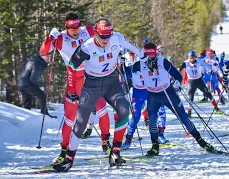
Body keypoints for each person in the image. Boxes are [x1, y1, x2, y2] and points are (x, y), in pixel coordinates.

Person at [53, 18, 147, 172]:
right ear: (95, 33)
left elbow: (136, 48)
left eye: (108, 35)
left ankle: (115, 151)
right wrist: (71, 89)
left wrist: (146, 59)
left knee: (124, 109)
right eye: (102, 36)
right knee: (81, 121)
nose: (105, 39)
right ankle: (69, 158)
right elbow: (72, 66)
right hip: (92, 85)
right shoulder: (87, 47)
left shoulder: (117, 38)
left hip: (112, 83)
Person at [40, 13, 111, 165]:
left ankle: (106, 143)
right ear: (66, 27)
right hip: (74, 80)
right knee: (70, 117)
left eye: (77, 27)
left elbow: (106, 37)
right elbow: (44, 51)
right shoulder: (60, 38)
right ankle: (63, 152)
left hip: (92, 77)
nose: (75, 31)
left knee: (102, 110)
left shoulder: (88, 31)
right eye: (72, 28)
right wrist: (50, 37)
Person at [130, 43, 218, 156]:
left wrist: (177, 82)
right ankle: (155, 147)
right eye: (148, 56)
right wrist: (122, 65)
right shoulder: (139, 64)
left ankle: (201, 141)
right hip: (152, 95)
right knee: (152, 121)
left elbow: (177, 75)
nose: (151, 58)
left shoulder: (162, 61)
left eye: (153, 55)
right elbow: (128, 72)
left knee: (184, 119)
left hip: (168, 94)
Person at [179, 50, 222, 117]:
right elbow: (179, 70)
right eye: (190, 58)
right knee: (190, 97)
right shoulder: (185, 63)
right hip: (191, 81)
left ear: (195, 57)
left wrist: (211, 70)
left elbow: (207, 65)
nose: (192, 59)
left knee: (208, 93)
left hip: (199, 80)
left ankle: (216, 108)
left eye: (193, 57)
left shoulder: (199, 61)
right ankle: (189, 112)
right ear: (188, 57)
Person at [17, 53, 57, 118]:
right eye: (47, 56)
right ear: (42, 56)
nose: (49, 57)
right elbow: (33, 78)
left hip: (21, 83)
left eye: (49, 56)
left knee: (27, 102)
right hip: (27, 83)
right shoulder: (38, 63)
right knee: (41, 95)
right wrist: (38, 88)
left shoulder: (35, 60)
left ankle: (26, 118)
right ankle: (44, 113)